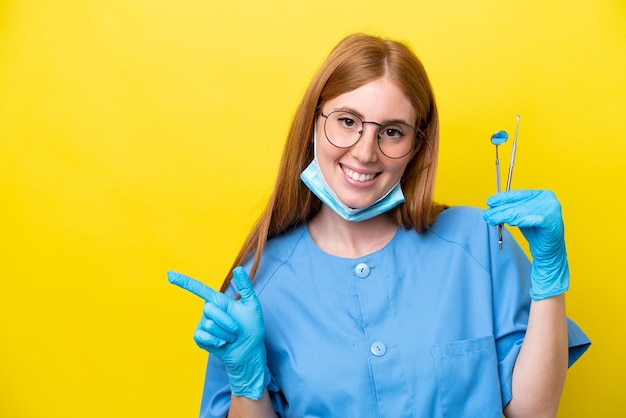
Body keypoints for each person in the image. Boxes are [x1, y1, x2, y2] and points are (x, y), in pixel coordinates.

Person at [168, 33, 590, 417]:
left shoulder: (479, 241)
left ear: (416, 145)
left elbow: (532, 414)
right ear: (314, 122)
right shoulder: (259, 282)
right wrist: (247, 382)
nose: (365, 152)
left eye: (391, 131)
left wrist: (549, 279)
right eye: (347, 121)